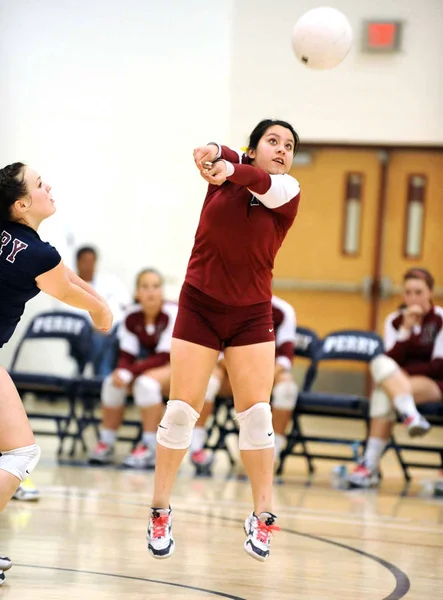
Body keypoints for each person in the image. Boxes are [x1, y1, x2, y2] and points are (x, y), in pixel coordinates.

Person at [146, 119, 301, 562]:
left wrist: (228, 165)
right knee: (180, 411)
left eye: (289, 145)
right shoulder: (224, 174)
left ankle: (263, 516)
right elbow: (225, 156)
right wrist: (213, 150)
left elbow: (254, 178)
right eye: (273, 141)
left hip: (251, 314)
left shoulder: (287, 192)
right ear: (251, 148)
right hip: (199, 305)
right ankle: (159, 510)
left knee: (256, 416)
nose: (282, 149)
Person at [0, 162, 112, 584]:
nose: (50, 187)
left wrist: (102, 302)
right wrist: (102, 312)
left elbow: (65, 274)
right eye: (40, 184)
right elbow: (65, 288)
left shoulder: (31, 248)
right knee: (21, 453)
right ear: (23, 203)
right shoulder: (38, 254)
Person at [347, 267, 440, 489]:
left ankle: (369, 465)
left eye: (419, 292)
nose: (413, 297)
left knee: (385, 385)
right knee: (380, 370)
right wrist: (405, 330)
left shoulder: (440, 319)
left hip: (435, 384)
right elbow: (390, 359)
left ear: (430, 293)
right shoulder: (395, 321)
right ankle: (411, 416)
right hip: (402, 384)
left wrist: (401, 375)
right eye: (408, 292)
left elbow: (438, 366)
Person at [190, 295, 298, 470]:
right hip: (233, 372)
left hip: (266, 372)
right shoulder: (225, 306)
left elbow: (286, 357)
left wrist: (263, 376)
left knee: (287, 388)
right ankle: (196, 448)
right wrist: (242, 374)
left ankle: (272, 453)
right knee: (208, 381)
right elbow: (216, 351)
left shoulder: (283, 310)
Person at [88, 268, 177, 468]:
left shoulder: (172, 313)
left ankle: (150, 446)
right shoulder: (131, 315)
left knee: (145, 385)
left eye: (155, 287)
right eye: (145, 287)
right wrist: (122, 372)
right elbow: (126, 355)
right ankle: (106, 443)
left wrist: (130, 372)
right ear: (137, 293)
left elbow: (164, 356)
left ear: (162, 291)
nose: (151, 292)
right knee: (111, 383)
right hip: (148, 367)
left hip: (175, 366)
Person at [72, 246, 131, 376]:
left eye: (91, 261)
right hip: (89, 333)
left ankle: (87, 376)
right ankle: (102, 378)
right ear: (77, 262)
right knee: (103, 341)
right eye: (85, 261)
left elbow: (127, 304)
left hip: (117, 328)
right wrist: (98, 327)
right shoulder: (70, 287)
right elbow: (73, 317)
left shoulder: (110, 281)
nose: (89, 265)